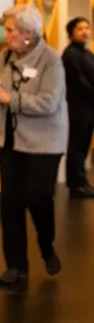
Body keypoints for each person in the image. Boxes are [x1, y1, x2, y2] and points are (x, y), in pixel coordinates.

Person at [0, 4, 68, 286]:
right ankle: (16, 267)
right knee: (11, 203)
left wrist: (9, 99)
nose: (4, 35)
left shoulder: (50, 59)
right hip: (9, 139)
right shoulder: (6, 55)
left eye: (9, 30)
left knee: (38, 197)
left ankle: (47, 247)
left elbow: (49, 102)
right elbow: (4, 92)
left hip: (44, 142)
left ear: (27, 34)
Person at [61, 16, 94, 198]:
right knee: (77, 146)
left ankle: (82, 181)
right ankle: (76, 184)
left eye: (87, 28)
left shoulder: (87, 53)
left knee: (84, 144)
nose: (85, 32)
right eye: (80, 28)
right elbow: (80, 82)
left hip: (88, 107)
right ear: (71, 33)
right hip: (77, 108)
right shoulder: (70, 55)